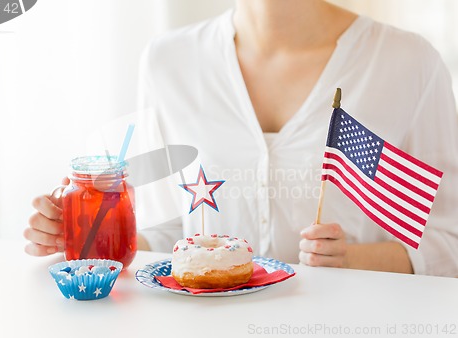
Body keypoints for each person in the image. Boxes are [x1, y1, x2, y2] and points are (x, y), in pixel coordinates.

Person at [24, 0, 458, 277]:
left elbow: (450, 243)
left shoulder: (408, 63)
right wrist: (91, 236)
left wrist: (353, 261)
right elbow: (172, 230)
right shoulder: (168, 61)